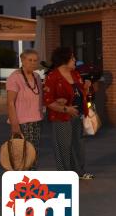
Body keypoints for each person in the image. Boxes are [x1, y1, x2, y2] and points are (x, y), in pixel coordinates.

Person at [43, 47, 94, 179]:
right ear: (64, 60)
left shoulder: (75, 74)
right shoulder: (52, 77)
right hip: (61, 117)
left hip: (78, 115)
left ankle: (79, 172)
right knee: (63, 146)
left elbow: (80, 93)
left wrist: (86, 88)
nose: (75, 60)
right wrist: (67, 109)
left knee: (78, 145)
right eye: (72, 58)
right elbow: (48, 101)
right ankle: (65, 175)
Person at [6, 49, 44, 169]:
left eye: (35, 60)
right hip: (22, 123)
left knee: (34, 153)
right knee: (22, 155)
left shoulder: (37, 76)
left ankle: (31, 182)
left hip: (36, 120)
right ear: (22, 60)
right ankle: (23, 183)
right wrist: (14, 125)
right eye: (30, 60)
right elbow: (10, 103)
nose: (33, 63)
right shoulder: (15, 77)